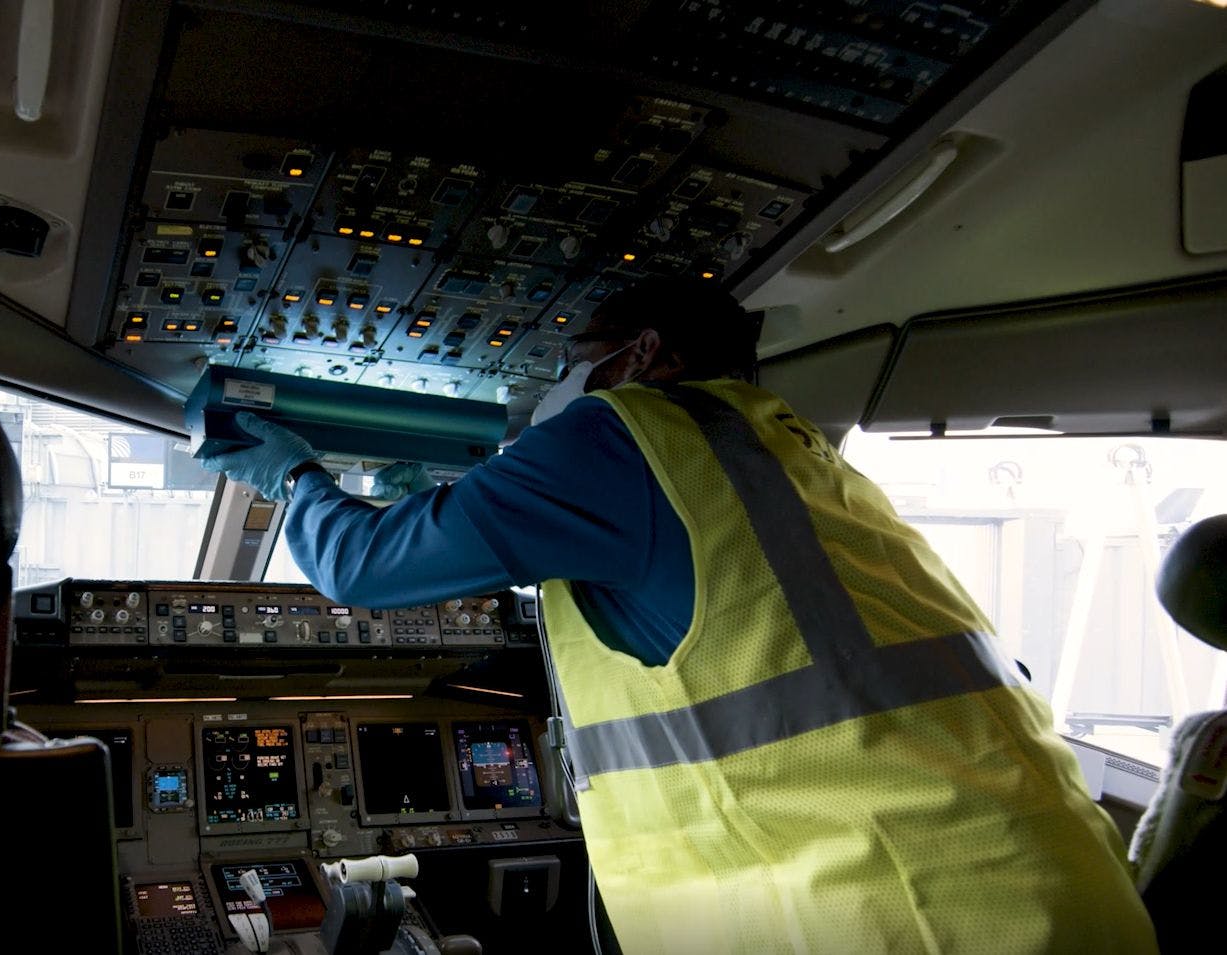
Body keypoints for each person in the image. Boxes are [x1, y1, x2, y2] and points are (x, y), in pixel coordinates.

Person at [199, 277, 1156, 953]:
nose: (568, 391)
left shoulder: (627, 431)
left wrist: (291, 473)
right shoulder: (801, 459)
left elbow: (360, 564)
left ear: (644, 356)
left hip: (899, 912)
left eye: (580, 365)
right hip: (1056, 885)